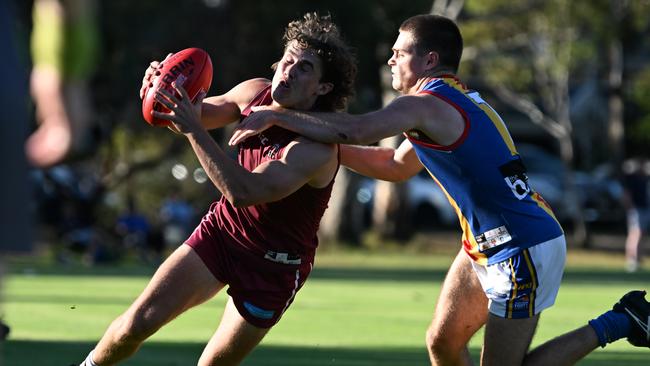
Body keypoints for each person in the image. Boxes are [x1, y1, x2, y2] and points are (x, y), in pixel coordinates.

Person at [231, 14, 650, 366]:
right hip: (487, 243)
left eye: (400, 51)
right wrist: (315, 145)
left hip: (521, 244)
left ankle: (620, 321)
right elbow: (393, 165)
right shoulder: (442, 102)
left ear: (429, 59)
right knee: (442, 344)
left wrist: (276, 117)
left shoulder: (425, 103)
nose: (392, 58)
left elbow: (354, 129)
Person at [77, 12, 356, 366]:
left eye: (304, 68)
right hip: (223, 235)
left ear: (323, 88)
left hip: (273, 267)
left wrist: (193, 128)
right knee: (134, 324)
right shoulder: (255, 92)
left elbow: (243, 190)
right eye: (287, 60)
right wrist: (163, 94)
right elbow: (186, 117)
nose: (288, 71)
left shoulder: (315, 148)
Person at [621, 158, 650, 272]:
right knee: (635, 234)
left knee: (641, 234)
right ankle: (632, 260)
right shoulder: (632, 180)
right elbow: (626, 197)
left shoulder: (644, 179)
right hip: (636, 210)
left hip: (643, 209)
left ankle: (639, 258)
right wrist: (631, 208)